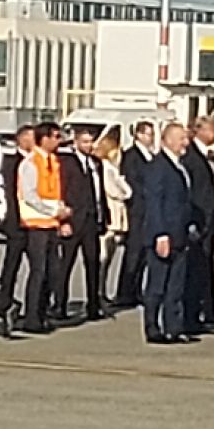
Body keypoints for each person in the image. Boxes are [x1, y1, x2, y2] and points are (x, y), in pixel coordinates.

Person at [143, 123, 195, 345]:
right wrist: (160, 234)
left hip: (180, 234)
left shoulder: (179, 166)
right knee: (157, 284)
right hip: (163, 234)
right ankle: (153, 327)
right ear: (168, 140)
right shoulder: (158, 167)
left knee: (175, 285)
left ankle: (174, 327)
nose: (186, 143)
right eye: (181, 138)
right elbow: (154, 202)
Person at [18, 123, 71, 334]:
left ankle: (42, 314)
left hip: (50, 223)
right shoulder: (31, 163)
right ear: (44, 138)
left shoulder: (53, 161)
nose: (59, 141)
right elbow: (30, 196)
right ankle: (32, 318)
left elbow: (56, 192)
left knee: (52, 271)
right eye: (56, 136)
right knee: (39, 272)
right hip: (36, 224)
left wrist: (62, 216)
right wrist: (54, 211)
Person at [52, 129, 110, 321]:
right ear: (76, 142)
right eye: (85, 142)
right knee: (66, 264)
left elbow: (99, 192)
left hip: (91, 220)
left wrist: (104, 217)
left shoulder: (96, 163)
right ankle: (60, 305)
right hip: (73, 219)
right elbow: (62, 190)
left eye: (91, 142)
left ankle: (93, 306)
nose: (89, 146)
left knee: (93, 263)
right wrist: (63, 220)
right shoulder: (67, 162)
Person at [182, 116, 214, 334]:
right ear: (199, 131)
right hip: (199, 219)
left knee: (208, 266)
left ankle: (209, 311)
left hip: (211, 219)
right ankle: (193, 315)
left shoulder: (209, 157)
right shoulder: (191, 157)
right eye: (212, 130)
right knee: (196, 267)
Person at [0, 125, 35, 335]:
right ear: (22, 139)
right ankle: (4, 305)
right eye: (32, 137)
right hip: (15, 223)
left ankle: (35, 311)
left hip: (36, 223)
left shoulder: (37, 161)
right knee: (11, 266)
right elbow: (8, 194)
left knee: (42, 268)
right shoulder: (10, 162)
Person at [115, 121, 156, 307]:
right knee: (133, 251)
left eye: (152, 134)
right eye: (148, 134)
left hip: (149, 210)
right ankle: (125, 292)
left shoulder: (151, 156)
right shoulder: (131, 156)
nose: (151, 138)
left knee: (144, 254)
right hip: (137, 209)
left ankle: (137, 289)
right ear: (138, 135)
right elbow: (132, 182)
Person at [92, 130, 132, 306]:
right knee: (103, 257)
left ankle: (102, 290)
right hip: (112, 213)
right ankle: (98, 291)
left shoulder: (112, 167)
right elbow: (116, 190)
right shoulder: (106, 168)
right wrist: (125, 192)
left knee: (109, 259)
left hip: (117, 215)